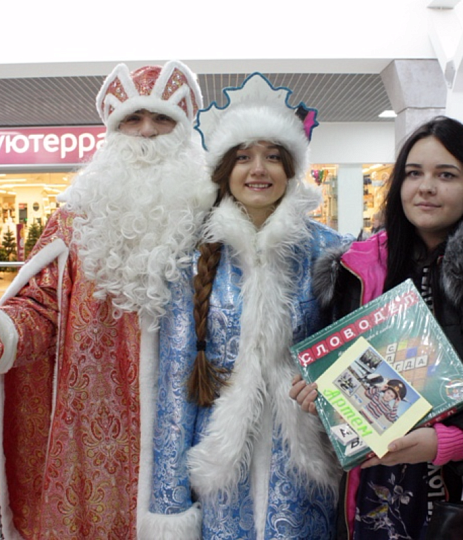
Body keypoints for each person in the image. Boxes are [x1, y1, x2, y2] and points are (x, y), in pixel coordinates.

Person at [291, 116, 463, 539]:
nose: (426, 187)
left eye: (446, 175)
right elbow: (353, 390)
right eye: (413, 173)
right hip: (370, 499)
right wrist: (325, 396)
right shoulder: (357, 274)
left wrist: (447, 443)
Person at [0, 60, 216, 539]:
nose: (146, 131)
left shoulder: (215, 216)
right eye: (132, 119)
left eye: (162, 119)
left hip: (191, 416)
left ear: (184, 127)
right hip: (94, 425)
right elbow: (40, 306)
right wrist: (7, 329)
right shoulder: (75, 218)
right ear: (112, 131)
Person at [141, 73, 348, 539]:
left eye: (273, 156)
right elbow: (175, 382)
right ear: (224, 170)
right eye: (243, 157)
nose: (259, 169)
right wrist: (169, 506)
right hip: (219, 462)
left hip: (305, 463)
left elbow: (351, 356)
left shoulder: (331, 252)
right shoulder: (192, 258)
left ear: (291, 168)